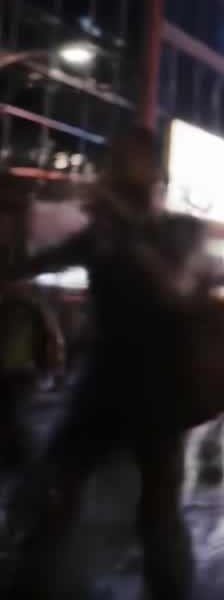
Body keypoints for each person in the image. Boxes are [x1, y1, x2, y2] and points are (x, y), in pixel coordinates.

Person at [3, 126, 208, 599]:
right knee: (56, 484)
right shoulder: (105, 229)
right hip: (101, 386)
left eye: (129, 158)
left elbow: (175, 291)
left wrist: (126, 232)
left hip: (156, 395)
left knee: (157, 515)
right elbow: (46, 259)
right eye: (116, 157)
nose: (115, 166)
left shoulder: (175, 231)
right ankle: (30, 579)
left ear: (154, 172)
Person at [0, 284, 64, 467]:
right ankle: (17, 455)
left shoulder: (28, 310)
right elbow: (52, 339)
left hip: (21, 371)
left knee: (14, 414)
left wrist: (51, 366)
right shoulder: (29, 310)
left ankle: (22, 455)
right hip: (19, 371)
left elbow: (51, 340)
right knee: (12, 414)